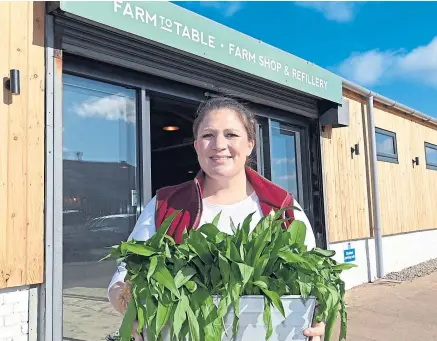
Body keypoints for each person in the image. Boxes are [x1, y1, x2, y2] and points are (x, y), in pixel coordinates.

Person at [107, 96, 326, 341]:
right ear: (197, 146)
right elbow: (124, 275)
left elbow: (313, 281)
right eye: (208, 135)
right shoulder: (165, 205)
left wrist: (317, 320)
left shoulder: (282, 207)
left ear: (250, 144)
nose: (219, 144)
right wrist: (132, 312)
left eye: (231, 135)